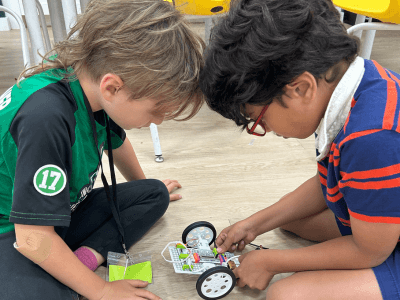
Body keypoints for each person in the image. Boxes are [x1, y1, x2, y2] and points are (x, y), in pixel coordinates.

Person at [0, 0, 205, 299]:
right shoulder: (45, 118)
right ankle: (65, 270)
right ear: (112, 87)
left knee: (155, 194)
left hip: (59, 211)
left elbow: (117, 142)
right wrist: (102, 290)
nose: (158, 121)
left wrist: (142, 184)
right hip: (14, 228)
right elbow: (31, 237)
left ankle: (79, 260)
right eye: (157, 109)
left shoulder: (91, 79)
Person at [199, 0, 400, 299]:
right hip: (384, 223)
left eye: (259, 119)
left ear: (301, 88)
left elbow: (369, 251)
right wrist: (254, 224)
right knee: (291, 219)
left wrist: (272, 261)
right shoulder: (359, 85)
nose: (265, 130)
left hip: (380, 244)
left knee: (286, 294)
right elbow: (332, 183)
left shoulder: (371, 138)